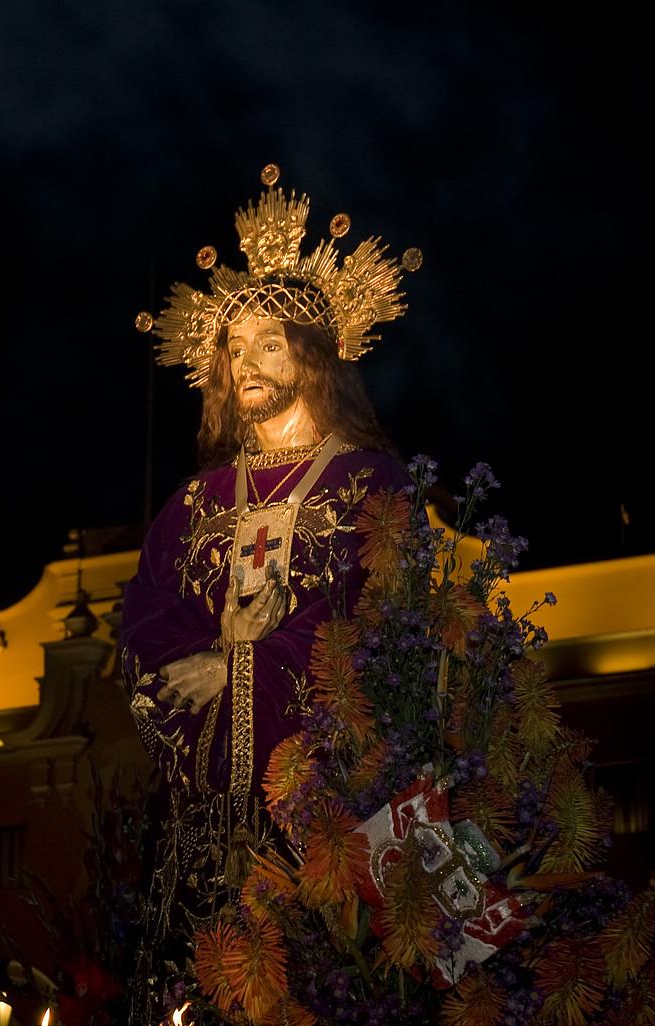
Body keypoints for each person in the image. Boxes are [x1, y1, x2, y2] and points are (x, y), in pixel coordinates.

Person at [119, 167, 415, 917]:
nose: (246, 362)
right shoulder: (196, 502)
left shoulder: (372, 482)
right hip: (214, 829)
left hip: (340, 809)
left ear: (312, 358)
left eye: (269, 343)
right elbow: (148, 617)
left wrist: (246, 663)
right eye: (235, 347)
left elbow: (380, 617)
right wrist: (219, 649)